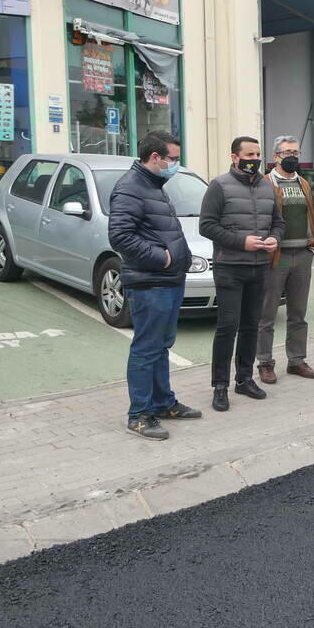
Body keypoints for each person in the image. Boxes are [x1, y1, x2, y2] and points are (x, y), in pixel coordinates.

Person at [108, 131, 200, 440]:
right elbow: (120, 236)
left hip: (169, 280)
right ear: (155, 157)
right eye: (173, 158)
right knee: (146, 349)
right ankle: (139, 415)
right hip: (151, 283)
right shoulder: (130, 189)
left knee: (161, 346)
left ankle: (162, 403)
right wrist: (161, 258)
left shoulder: (153, 186)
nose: (177, 163)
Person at [199, 136, 284, 411]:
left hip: (259, 267)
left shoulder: (267, 186)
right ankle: (220, 386)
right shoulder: (219, 185)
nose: (255, 159)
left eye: (258, 154)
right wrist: (241, 242)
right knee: (228, 326)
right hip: (230, 267)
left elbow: (278, 222)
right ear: (235, 157)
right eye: (249, 154)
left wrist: (274, 238)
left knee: (251, 326)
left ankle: (244, 379)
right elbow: (207, 226)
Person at [256, 136, 314, 385]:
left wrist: (312, 247)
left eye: (295, 151)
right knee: (268, 312)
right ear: (276, 157)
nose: (292, 155)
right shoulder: (265, 183)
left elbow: (310, 215)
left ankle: (297, 361)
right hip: (277, 257)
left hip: (302, 255)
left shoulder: (304, 183)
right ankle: (265, 362)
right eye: (286, 152)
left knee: (298, 312)